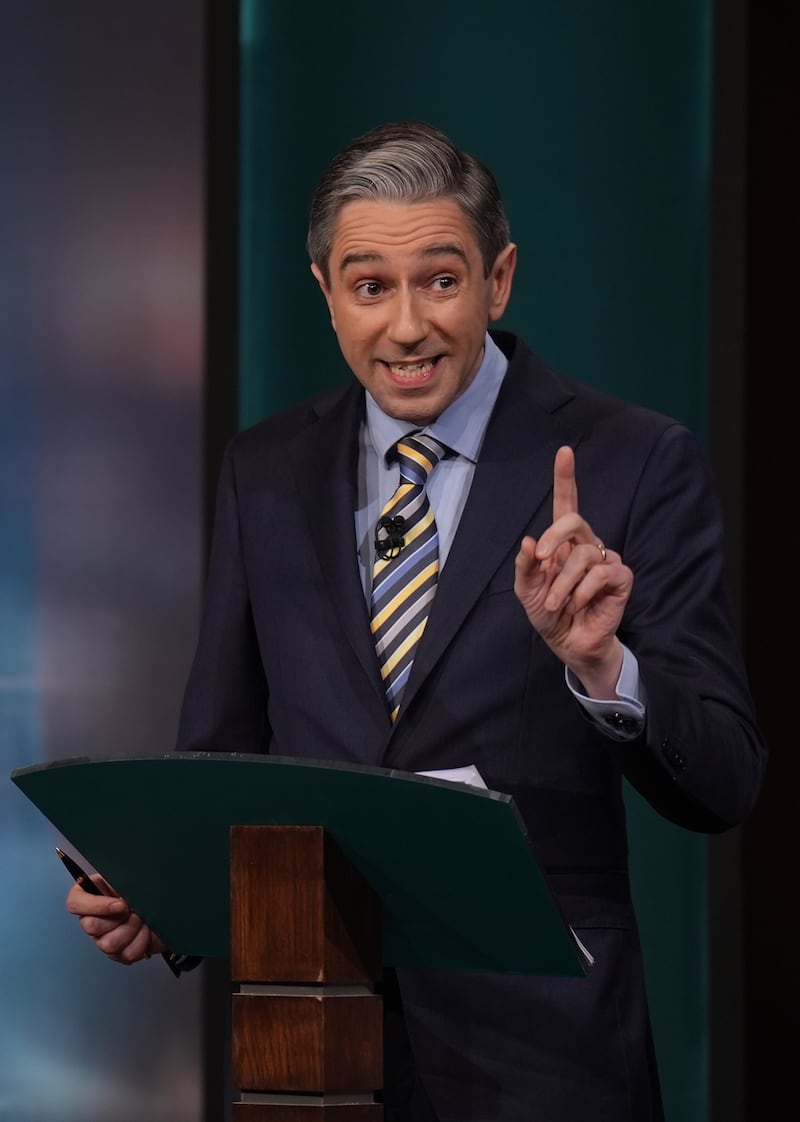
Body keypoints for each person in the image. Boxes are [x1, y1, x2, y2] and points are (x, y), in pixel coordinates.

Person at [67, 120, 767, 1121]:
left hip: (545, 1055)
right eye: (369, 287)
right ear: (323, 292)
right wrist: (161, 890)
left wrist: (603, 668)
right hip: (304, 1043)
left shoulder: (633, 461)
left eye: (439, 281)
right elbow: (223, 752)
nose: (405, 327)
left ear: (499, 278)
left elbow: (724, 779)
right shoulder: (262, 472)